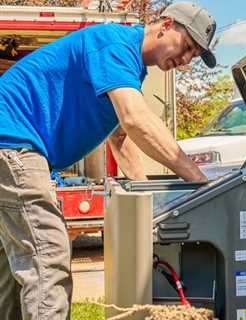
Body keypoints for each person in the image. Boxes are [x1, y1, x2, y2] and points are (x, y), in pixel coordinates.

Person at [0, 2, 215, 319]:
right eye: (186, 47)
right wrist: (197, 180)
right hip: (12, 143)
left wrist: (147, 199)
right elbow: (135, 120)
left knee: (13, 262)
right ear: (166, 24)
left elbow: (120, 138)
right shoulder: (115, 45)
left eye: (192, 56)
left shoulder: (127, 66)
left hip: (12, 144)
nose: (184, 60)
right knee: (49, 255)